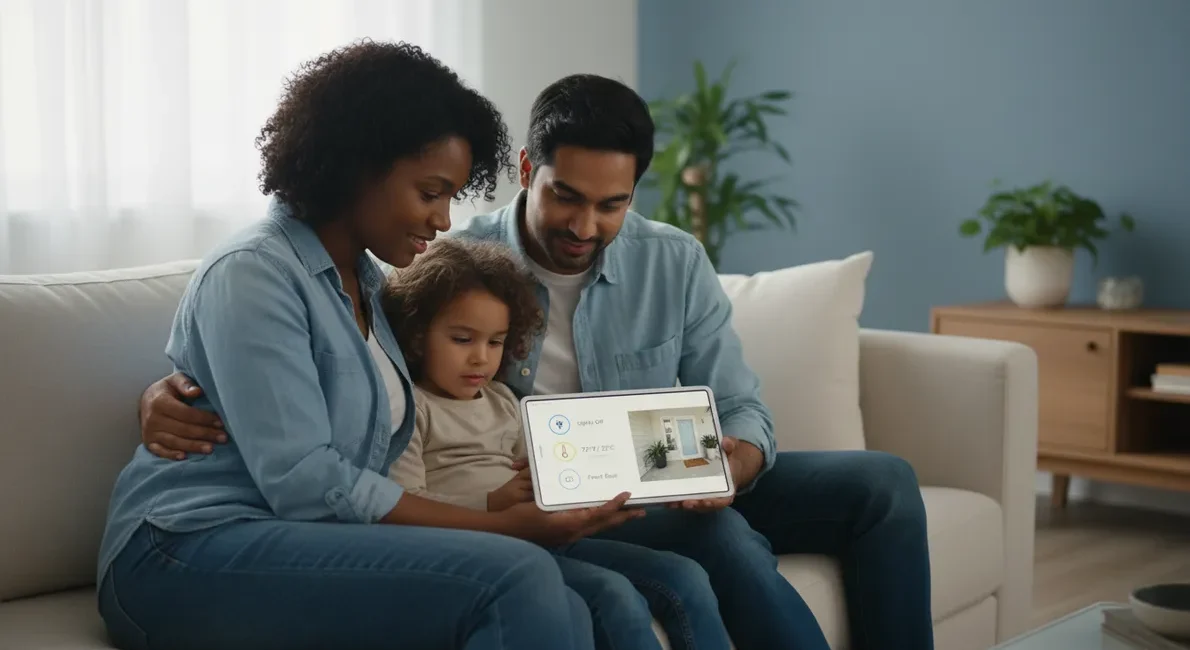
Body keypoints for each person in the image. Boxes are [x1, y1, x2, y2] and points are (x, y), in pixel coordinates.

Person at [138, 73, 935, 650]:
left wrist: (740, 457)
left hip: (655, 476)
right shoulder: (444, 265)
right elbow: (307, 414)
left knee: (879, 483)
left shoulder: (666, 261)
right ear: (528, 172)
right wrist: (165, 389)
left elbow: (742, 403)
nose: (586, 224)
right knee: (705, 551)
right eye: (567, 196)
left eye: (612, 204)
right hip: (526, 492)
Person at [97, 43, 644, 650]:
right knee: (517, 572)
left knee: (571, 596)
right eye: (430, 192)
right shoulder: (253, 271)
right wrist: (494, 525)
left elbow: (453, 388)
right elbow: (306, 481)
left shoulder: (375, 286)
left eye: (450, 198)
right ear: (356, 166)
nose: (442, 220)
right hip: (185, 548)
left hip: (303, 539)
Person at [381, 237, 732, 650]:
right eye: (462, 340)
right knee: (612, 593)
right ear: (419, 336)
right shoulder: (411, 407)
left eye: (494, 342)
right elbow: (404, 505)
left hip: (545, 537)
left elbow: (537, 473)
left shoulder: (502, 401)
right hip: (485, 551)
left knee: (684, 575)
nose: (480, 357)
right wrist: (494, 504)